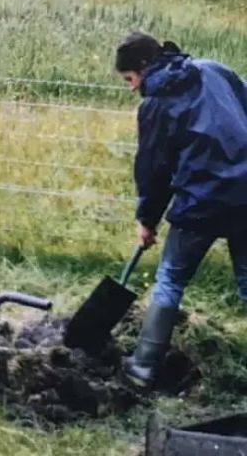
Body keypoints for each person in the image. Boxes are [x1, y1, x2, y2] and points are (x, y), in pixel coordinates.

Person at [114, 31, 247, 387]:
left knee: (171, 277)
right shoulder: (215, 71)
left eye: (129, 79)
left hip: (201, 203)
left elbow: (153, 168)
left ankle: (142, 367)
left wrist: (146, 219)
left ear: (143, 67)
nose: (130, 88)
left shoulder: (155, 105)